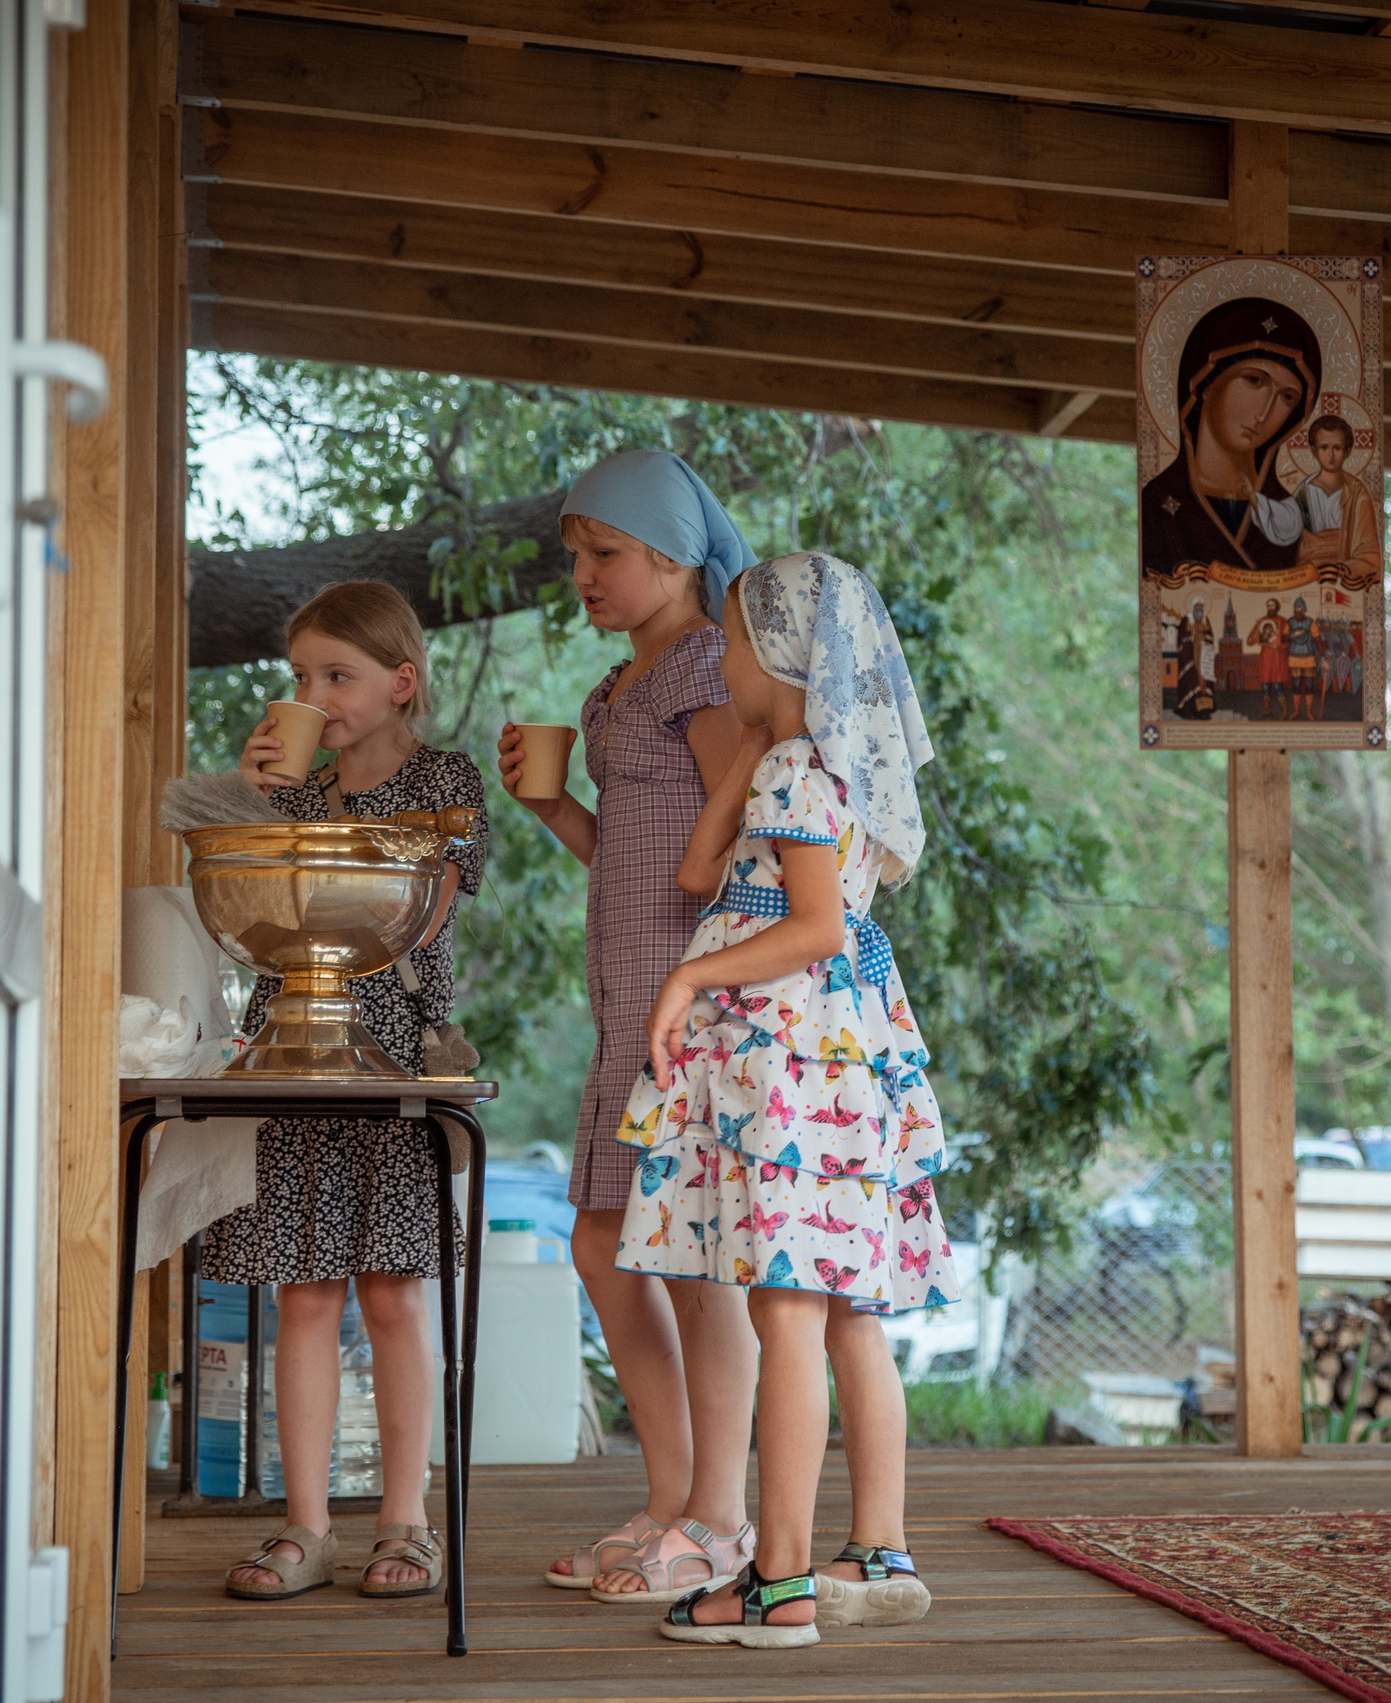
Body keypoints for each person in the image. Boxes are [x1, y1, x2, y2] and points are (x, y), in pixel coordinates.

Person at [614, 552, 954, 1649]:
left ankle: (780, 1577)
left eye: (734, 638)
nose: (720, 655)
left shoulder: (800, 768)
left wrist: (686, 976)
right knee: (849, 1312)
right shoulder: (811, 763)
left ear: (782, 653)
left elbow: (804, 925)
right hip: (846, 1048)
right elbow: (694, 872)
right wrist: (746, 753)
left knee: (790, 1314)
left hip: (787, 1056)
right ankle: (878, 1548)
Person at [497, 450, 763, 1603]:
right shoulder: (617, 688)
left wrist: (712, 975)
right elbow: (637, 857)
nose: (581, 574)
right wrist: (558, 806)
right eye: (573, 555)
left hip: (695, 1008)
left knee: (704, 1266)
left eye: (602, 552)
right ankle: (669, 1498)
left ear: (670, 555)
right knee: (603, 1244)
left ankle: (721, 1517)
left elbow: (744, 819)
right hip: (628, 1013)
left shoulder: (706, 663)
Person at [207, 580, 489, 1604]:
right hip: (293, 1054)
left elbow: (414, 914)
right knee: (305, 1291)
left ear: (399, 682)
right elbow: (239, 907)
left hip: (395, 1054)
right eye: (300, 677)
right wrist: (251, 799)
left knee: (394, 1293)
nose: (314, 693)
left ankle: (406, 1522)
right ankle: (308, 1523)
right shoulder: (293, 789)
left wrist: (312, 819)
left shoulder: (445, 779)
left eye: (338, 675)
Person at [1141, 296, 1322, 581]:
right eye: (1254, 380)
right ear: (1207, 382)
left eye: (1287, 398)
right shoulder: (1158, 504)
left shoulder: (1291, 517)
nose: (1263, 413)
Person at [1291, 414, 1383, 585]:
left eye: (1337, 448)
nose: (1330, 455)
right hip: (1307, 577)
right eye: (1324, 447)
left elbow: (1369, 554)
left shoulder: (1358, 494)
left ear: (1347, 451)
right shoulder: (1302, 493)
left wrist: (1344, 569)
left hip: (1345, 576)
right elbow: (1290, 547)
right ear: (1314, 450)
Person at [1251, 597, 1289, 719]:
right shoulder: (1262, 621)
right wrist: (1256, 635)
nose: (1270, 608)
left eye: (1272, 605)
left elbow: (1288, 642)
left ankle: (1284, 711)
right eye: (1268, 606)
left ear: (1277, 607)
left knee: (1278, 686)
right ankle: (1267, 709)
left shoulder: (1283, 622)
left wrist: (1279, 646)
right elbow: (1250, 641)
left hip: (1278, 658)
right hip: (1266, 659)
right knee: (1265, 686)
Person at [1286, 596, 1320, 720]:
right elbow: (1284, 638)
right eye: (1295, 608)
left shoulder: (1311, 622)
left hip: (1308, 657)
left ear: (1304, 609)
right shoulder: (1290, 622)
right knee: (1296, 685)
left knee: (1309, 686)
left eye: (1299, 608)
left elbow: (1317, 640)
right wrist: (1292, 634)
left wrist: (1323, 655)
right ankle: (1296, 711)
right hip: (1294, 657)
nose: (1297, 611)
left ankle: (1309, 712)